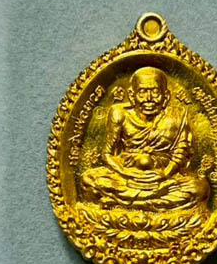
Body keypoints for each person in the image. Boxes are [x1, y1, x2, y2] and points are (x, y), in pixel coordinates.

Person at [80, 66, 209, 211]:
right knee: (88, 180)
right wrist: (126, 172)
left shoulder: (178, 116)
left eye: (155, 92)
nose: (149, 99)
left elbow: (181, 153)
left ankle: (120, 204)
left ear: (166, 96)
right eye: (142, 92)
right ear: (132, 95)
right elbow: (107, 154)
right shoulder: (119, 113)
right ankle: (155, 206)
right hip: (125, 177)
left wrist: (164, 174)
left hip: (165, 179)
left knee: (199, 188)